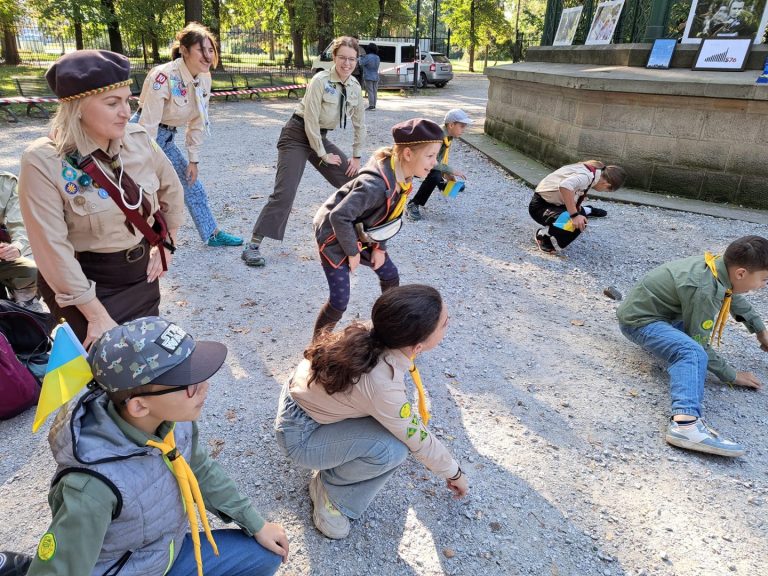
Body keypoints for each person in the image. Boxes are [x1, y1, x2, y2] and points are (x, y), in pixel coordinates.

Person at [26, 316, 289, 575]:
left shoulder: (172, 421)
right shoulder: (92, 488)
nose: (205, 387)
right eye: (189, 384)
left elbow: (201, 468)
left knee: (266, 555)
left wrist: (255, 524)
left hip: (165, 553)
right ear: (139, 406)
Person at [275, 284, 469, 539]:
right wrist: (455, 473)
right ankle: (330, 491)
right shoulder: (381, 383)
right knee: (392, 449)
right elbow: (418, 439)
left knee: (391, 430)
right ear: (417, 346)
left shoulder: (375, 333)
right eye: (445, 323)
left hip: (301, 405)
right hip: (301, 436)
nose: (448, 323)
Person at [18, 50, 184, 347]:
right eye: (112, 103)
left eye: (127, 100)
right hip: (85, 288)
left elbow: (172, 190)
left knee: (146, 366)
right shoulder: (44, 161)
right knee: (104, 378)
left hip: (139, 278)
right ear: (77, 107)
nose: (126, 111)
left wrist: (167, 243)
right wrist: (94, 315)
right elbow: (52, 251)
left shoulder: (138, 140)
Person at [617, 236, 768, 457]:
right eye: (765, 279)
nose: (764, 286)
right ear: (741, 274)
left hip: (662, 315)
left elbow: (731, 296)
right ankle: (685, 425)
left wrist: (760, 331)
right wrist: (731, 374)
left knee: (692, 346)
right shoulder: (705, 288)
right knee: (692, 352)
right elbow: (699, 342)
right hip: (640, 323)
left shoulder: (719, 269)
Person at [241, 36, 366, 268]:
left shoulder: (355, 87)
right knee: (285, 193)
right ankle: (253, 246)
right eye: (342, 58)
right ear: (334, 58)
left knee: (356, 182)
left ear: (357, 60)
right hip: (297, 135)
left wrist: (357, 156)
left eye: (351, 59)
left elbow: (360, 123)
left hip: (320, 138)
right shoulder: (320, 80)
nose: (346, 64)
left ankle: (356, 235)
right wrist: (322, 154)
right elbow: (309, 119)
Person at [312, 118, 443, 337]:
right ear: (408, 154)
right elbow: (339, 216)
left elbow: (388, 218)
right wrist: (352, 253)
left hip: (360, 231)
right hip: (334, 236)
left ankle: (387, 329)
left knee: (390, 275)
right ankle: (315, 345)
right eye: (430, 156)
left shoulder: (404, 175)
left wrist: (380, 248)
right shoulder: (375, 185)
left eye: (435, 156)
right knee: (340, 301)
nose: (434, 162)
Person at [133, 22, 243, 248]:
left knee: (192, 185)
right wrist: (147, 163)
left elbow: (197, 120)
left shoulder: (204, 77)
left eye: (211, 50)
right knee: (142, 188)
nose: (207, 55)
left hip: (165, 139)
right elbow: (148, 126)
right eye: (201, 50)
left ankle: (212, 234)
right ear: (184, 50)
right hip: (140, 138)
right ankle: (135, 240)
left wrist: (193, 159)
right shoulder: (163, 77)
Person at [529, 160, 626, 254]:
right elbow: (565, 186)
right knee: (576, 224)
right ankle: (544, 236)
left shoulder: (594, 171)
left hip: (555, 202)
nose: (603, 191)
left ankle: (587, 210)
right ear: (606, 184)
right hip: (540, 206)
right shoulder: (587, 176)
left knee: (581, 218)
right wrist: (574, 215)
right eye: (606, 190)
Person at [406, 109, 472, 222]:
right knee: (435, 175)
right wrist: (451, 170)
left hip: (425, 162)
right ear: (451, 125)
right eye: (462, 126)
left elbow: (439, 158)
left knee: (437, 173)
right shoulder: (437, 138)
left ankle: (443, 186)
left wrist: (446, 172)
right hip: (412, 164)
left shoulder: (447, 134)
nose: (464, 130)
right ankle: (413, 204)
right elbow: (430, 162)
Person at [0, 171, 40, 309]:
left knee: (32, 272)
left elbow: (20, 223)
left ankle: (24, 309)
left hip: (2, 260)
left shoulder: (7, 182)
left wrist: (17, 246)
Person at [359, 43, 380, 111]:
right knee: (375, 91)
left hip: (368, 76)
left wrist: (361, 57)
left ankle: (371, 106)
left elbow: (361, 63)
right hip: (376, 76)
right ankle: (374, 105)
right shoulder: (377, 57)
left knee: (370, 91)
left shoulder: (368, 56)